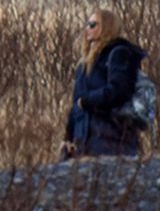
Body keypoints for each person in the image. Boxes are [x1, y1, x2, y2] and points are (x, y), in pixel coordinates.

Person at [62, 8, 146, 158]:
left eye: (93, 24)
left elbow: (118, 91)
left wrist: (88, 101)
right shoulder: (84, 63)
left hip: (114, 138)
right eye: (87, 24)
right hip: (84, 140)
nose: (88, 28)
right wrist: (68, 138)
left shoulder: (119, 53)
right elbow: (76, 103)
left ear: (106, 27)